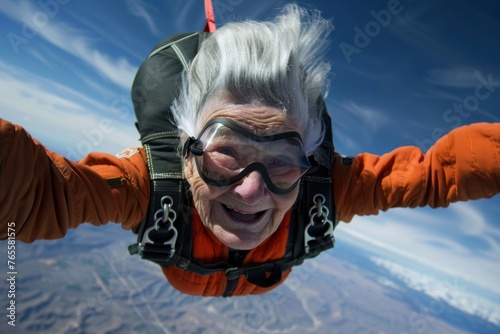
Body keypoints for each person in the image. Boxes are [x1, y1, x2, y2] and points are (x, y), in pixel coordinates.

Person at [1, 4, 499, 297]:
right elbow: (46, 191)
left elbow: (436, 173)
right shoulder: (150, 184)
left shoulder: (323, 189)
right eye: (227, 153)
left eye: (283, 160)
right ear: (186, 147)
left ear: (308, 161)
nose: (253, 190)